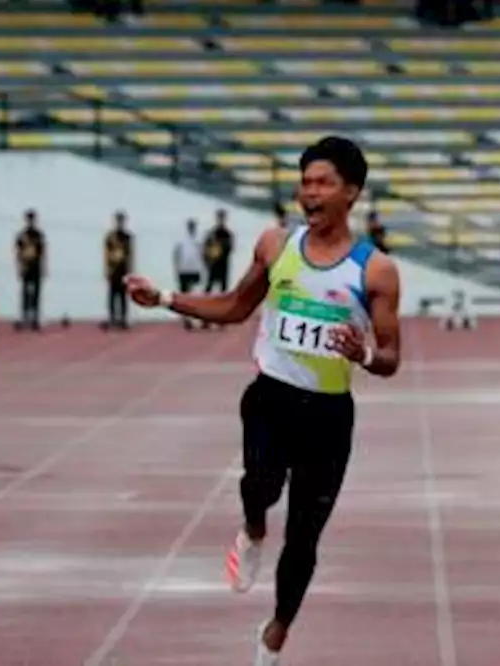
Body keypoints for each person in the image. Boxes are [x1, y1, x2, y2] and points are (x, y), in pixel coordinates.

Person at [125, 136, 402, 665]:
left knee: (303, 540)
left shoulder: (376, 272)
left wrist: (363, 352)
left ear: (352, 193)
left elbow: (391, 357)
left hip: (328, 414)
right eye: (305, 183)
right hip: (270, 399)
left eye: (323, 183)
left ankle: (274, 635)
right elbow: (233, 306)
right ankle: (253, 526)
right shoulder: (277, 245)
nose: (310, 194)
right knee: (261, 485)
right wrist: (163, 298)